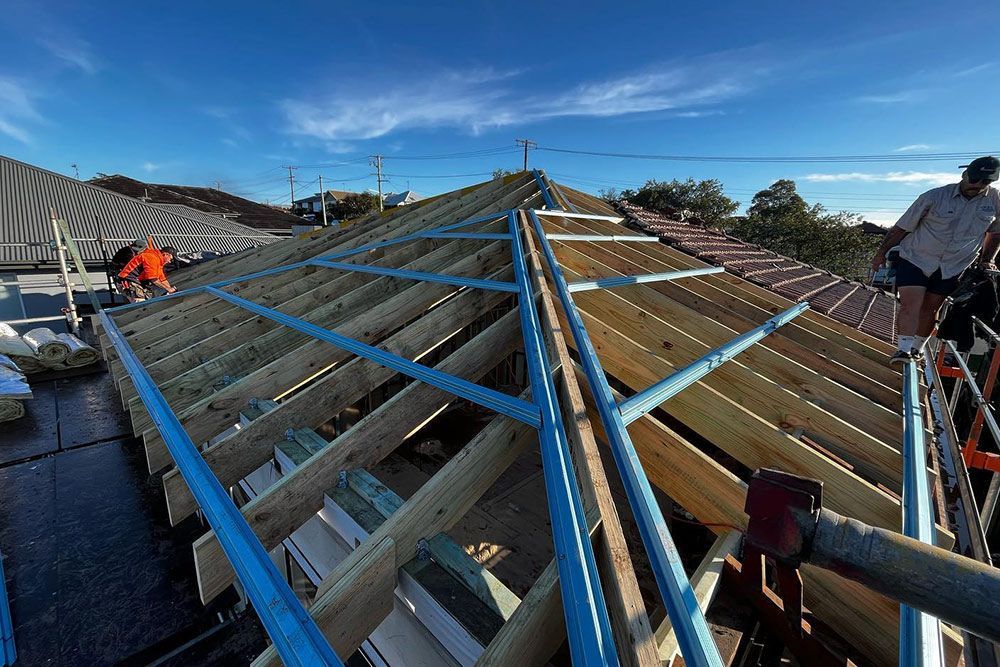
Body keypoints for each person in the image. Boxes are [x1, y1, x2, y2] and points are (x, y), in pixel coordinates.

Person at [871, 156, 1000, 364]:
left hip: (954, 264)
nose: (976, 185)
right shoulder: (935, 196)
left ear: (991, 182)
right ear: (965, 175)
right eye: (973, 179)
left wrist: (987, 259)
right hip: (917, 257)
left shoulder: (994, 201)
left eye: (984, 182)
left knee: (930, 308)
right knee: (910, 304)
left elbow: (995, 234)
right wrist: (880, 253)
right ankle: (903, 350)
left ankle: (917, 348)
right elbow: (901, 227)